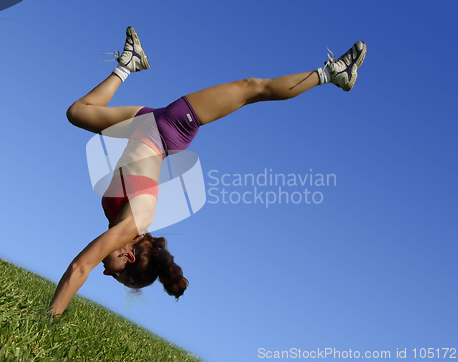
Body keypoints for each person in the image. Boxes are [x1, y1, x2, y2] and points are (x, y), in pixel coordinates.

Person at [49, 27, 367, 315]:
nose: (105, 270)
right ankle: (332, 73)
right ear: (128, 257)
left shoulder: (117, 224)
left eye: (108, 273)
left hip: (142, 123)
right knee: (252, 88)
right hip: (169, 127)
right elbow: (82, 267)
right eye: (114, 272)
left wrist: (51, 315)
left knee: (77, 113)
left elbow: (83, 264)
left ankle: (129, 62)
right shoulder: (132, 225)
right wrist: (52, 317)